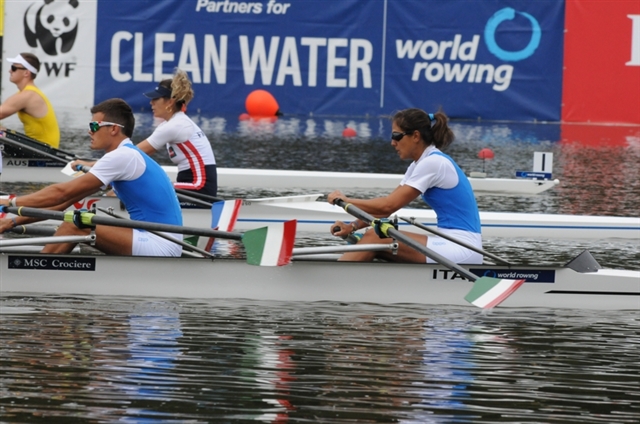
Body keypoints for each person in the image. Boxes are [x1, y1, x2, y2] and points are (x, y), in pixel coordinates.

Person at [0, 98, 183, 257]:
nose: (90, 131)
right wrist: (12, 221)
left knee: (76, 222)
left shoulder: (122, 157)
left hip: (160, 243)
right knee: (78, 217)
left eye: (94, 126)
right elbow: (63, 203)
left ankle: (36, 274)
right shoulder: (123, 155)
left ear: (113, 129)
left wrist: (8, 202)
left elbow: (61, 193)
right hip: (157, 237)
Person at [327, 108, 482, 264]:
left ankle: (332, 281)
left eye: (396, 136)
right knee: (376, 234)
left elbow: (387, 206)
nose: (392, 142)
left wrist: (346, 201)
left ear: (415, 136)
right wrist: (352, 226)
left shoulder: (433, 163)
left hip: (463, 248)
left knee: (375, 237)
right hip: (450, 243)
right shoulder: (419, 164)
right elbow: (386, 210)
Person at [137, 69, 218, 197]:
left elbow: (133, 153)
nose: (151, 102)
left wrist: (98, 166)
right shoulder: (173, 123)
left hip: (199, 188)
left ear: (170, 101)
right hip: (193, 185)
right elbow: (136, 155)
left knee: (143, 186)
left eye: (156, 98)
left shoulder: (176, 125)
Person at [0, 53, 60, 148]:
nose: (10, 71)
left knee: (0, 133)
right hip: (38, 146)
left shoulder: (28, 95)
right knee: (1, 131)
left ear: (26, 73)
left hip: (44, 149)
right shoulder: (26, 93)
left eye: (14, 68)